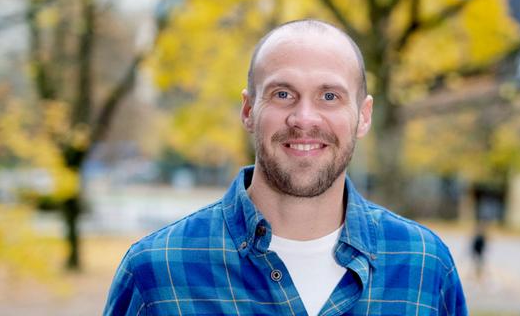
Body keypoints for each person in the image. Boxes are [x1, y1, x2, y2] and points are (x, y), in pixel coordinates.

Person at [104, 19, 466, 315]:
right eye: (282, 94)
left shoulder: (425, 267)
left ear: (363, 116)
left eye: (329, 96)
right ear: (249, 111)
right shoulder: (156, 272)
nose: (304, 118)